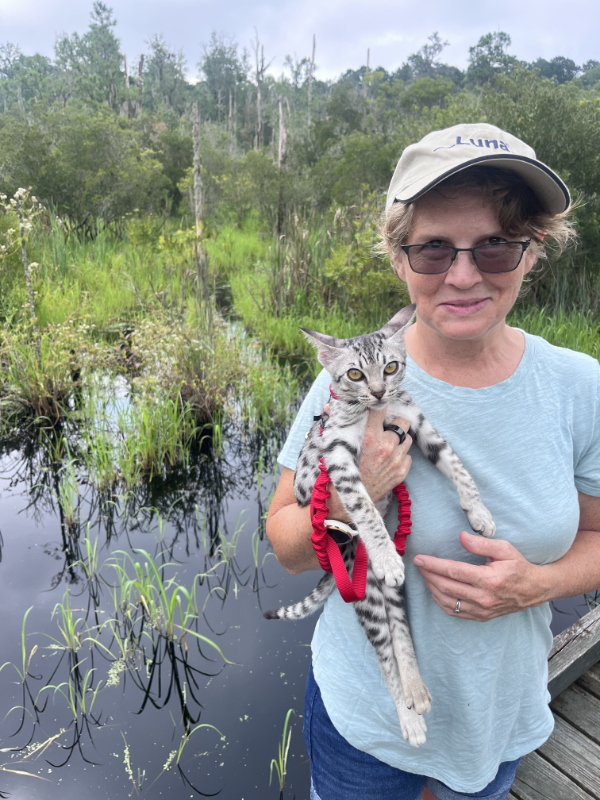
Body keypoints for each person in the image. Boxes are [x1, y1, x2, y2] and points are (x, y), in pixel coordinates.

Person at [266, 123, 600, 800]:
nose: (464, 275)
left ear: (534, 251)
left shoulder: (580, 386)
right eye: (433, 249)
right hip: (364, 725)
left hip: (496, 719)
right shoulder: (346, 382)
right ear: (399, 260)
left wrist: (537, 584)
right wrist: (351, 491)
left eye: (496, 246)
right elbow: (287, 546)